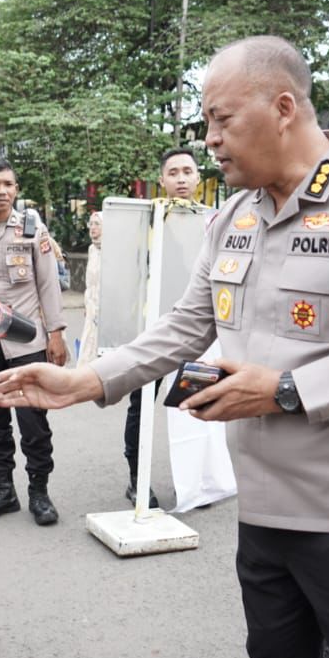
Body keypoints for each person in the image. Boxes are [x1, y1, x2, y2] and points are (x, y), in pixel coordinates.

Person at [0, 36, 329, 658]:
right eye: (205, 125)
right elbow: (187, 326)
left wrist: (286, 389)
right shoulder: (235, 216)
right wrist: (86, 380)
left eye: (221, 120)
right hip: (267, 511)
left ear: (282, 108)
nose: (210, 141)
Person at [0, 158, 68, 526]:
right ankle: (3, 490)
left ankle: (39, 492)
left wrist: (57, 334)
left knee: (33, 421)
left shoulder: (33, 230)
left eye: (8, 184)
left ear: (16, 190)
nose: (2, 191)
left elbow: (48, 285)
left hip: (27, 344)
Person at [120, 146, 205, 507]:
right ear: (162, 180)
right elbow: (131, 272)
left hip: (198, 330)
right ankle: (137, 480)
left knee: (198, 403)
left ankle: (195, 482)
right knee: (142, 406)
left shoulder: (211, 221)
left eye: (188, 171)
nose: (182, 178)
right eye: (174, 172)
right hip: (154, 329)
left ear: (199, 177)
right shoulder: (148, 219)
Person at [77, 211, 103, 367]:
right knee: (88, 347)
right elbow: (89, 281)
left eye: (97, 224)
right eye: (91, 224)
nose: (92, 228)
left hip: (105, 309)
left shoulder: (112, 251)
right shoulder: (92, 249)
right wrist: (87, 303)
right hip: (91, 306)